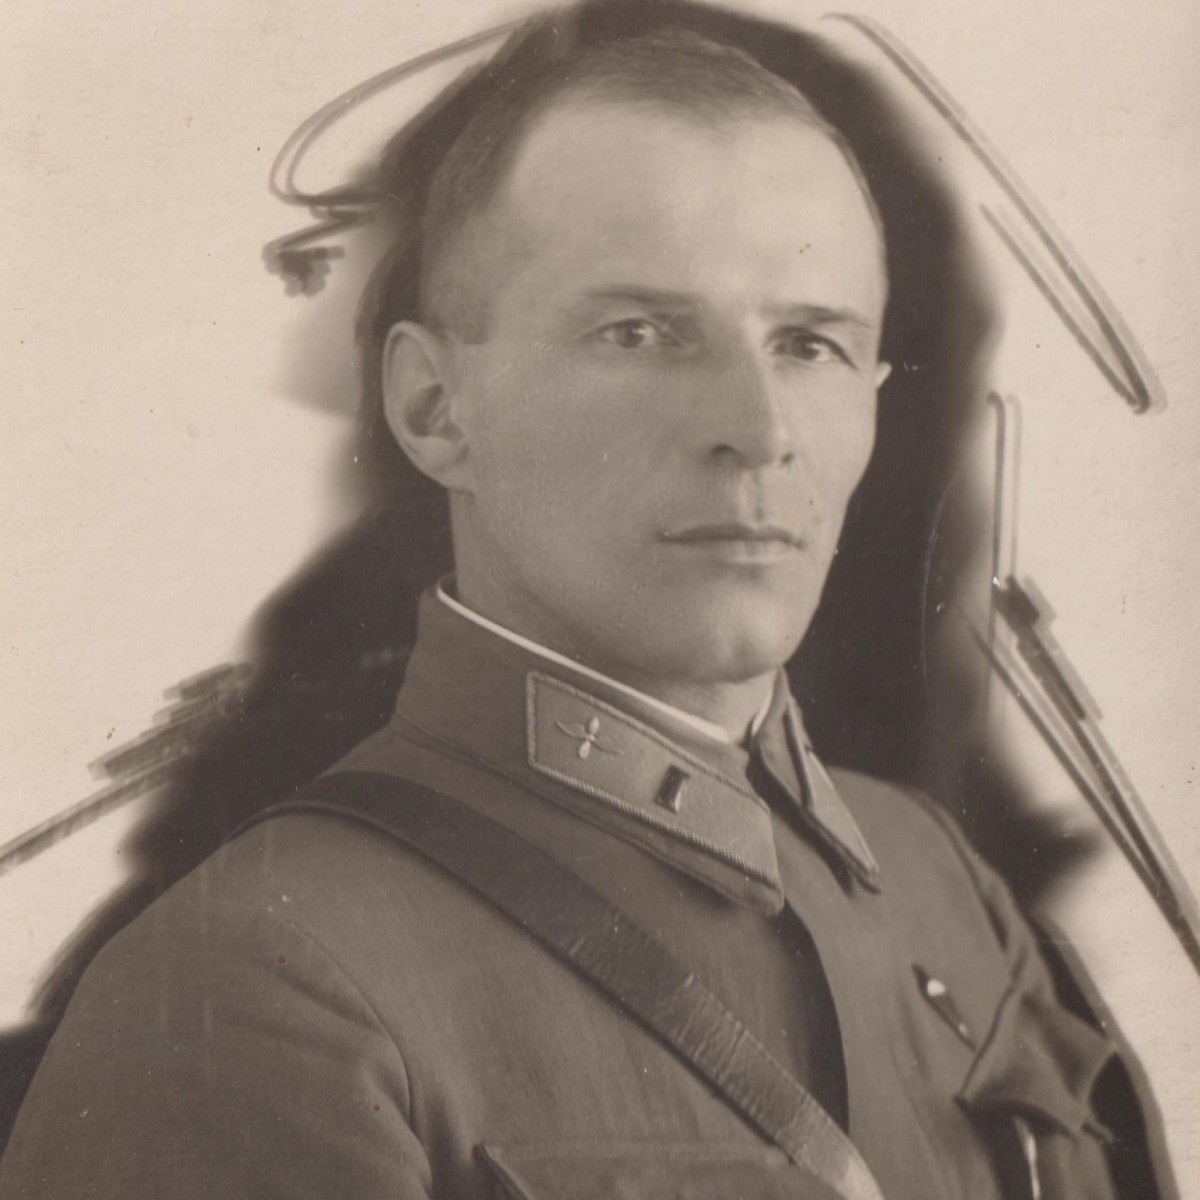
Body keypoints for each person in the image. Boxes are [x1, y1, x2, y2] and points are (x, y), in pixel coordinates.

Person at [0, 4, 1172, 1198]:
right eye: (641, 333)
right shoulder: (253, 984)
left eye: (810, 344)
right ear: (434, 410)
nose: (760, 430)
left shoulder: (938, 883)